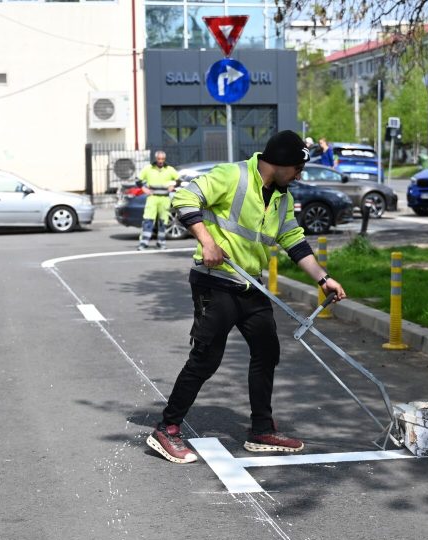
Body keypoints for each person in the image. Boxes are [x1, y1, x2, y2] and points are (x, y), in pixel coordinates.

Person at [146, 130, 347, 464]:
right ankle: (167, 429)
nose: (299, 175)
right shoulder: (232, 175)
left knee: (267, 350)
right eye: (297, 168)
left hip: (250, 285)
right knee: (206, 359)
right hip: (214, 281)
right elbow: (183, 198)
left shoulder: (281, 197)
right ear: (280, 162)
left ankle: (260, 430)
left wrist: (323, 279)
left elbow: (293, 239)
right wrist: (207, 242)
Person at [136, 151, 180, 250]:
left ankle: (161, 242)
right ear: (156, 159)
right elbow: (137, 180)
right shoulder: (148, 169)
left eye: (162, 159)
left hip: (164, 198)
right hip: (152, 198)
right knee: (148, 220)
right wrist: (144, 189)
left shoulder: (169, 169)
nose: (160, 161)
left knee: (163, 221)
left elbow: (179, 180)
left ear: (164, 159)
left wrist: (173, 186)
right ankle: (143, 243)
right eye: (159, 159)